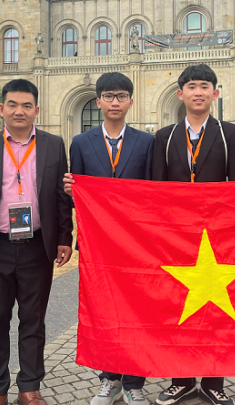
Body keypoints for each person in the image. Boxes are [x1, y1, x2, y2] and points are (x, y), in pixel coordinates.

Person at [0, 79, 73, 405]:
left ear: (37, 110)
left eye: (26, 106)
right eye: (12, 105)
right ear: (1, 109)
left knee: (33, 321)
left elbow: (61, 198)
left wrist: (65, 237)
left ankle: (29, 387)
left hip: (38, 246)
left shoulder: (52, 144)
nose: (19, 111)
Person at [152, 64, 235, 405]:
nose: (198, 92)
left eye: (204, 86)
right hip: (179, 238)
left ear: (215, 93)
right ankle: (181, 379)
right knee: (180, 308)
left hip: (218, 238)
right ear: (181, 94)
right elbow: (156, 191)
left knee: (216, 311)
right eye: (191, 86)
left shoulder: (230, 135)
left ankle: (214, 381)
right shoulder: (164, 138)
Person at [63, 72, 154, 405]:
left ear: (131, 101)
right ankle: (109, 379)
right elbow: (79, 196)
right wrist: (73, 191)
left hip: (135, 245)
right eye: (108, 96)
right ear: (98, 100)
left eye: (121, 96)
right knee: (102, 312)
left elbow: (152, 193)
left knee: (136, 312)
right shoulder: (81, 143)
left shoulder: (146, 143)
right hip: (97, 243)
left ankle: (134, 382)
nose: (115, 102)